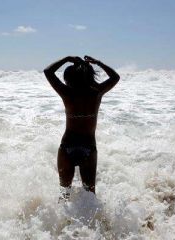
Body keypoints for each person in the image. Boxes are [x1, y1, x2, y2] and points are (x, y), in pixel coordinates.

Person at [44, 55, 120, 200]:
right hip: (88, 147)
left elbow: (48, 71)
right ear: (89, 76)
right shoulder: (96, 92)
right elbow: (115, 77)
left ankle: (63, 222)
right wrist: (98, 63)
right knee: (90, 195)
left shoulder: (67, 92)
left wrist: (67, 59)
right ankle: (92, 222)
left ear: (69, 78)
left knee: (64, 194)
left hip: (67, 146)